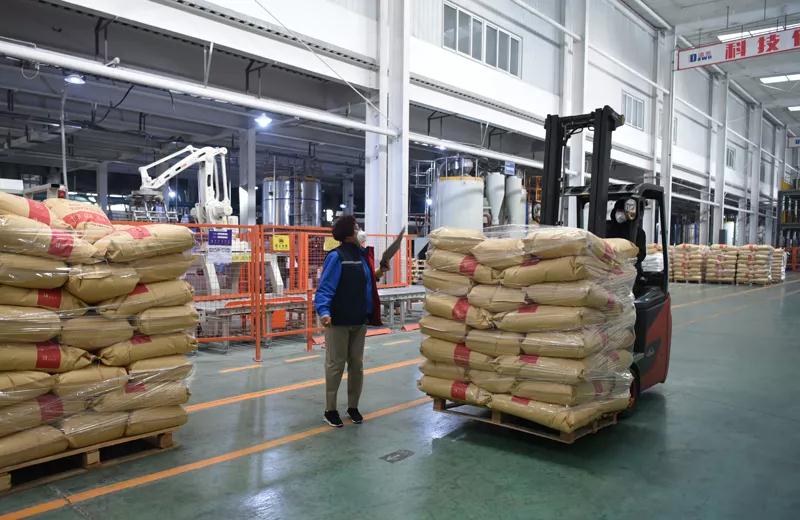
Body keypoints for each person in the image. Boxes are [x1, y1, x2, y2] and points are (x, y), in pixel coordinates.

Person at [314, 215, 387, 428]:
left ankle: (353, 407)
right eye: (356, 228)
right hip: (338, 320)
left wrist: (380, 271)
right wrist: (324, 311)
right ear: (347, 234)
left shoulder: (361, 255)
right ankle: (330, 410)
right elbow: (325, 288)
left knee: (356, 365)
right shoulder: (336, 257)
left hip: (358, 319)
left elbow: (366, 280)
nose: (359, 231)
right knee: (335, 365)